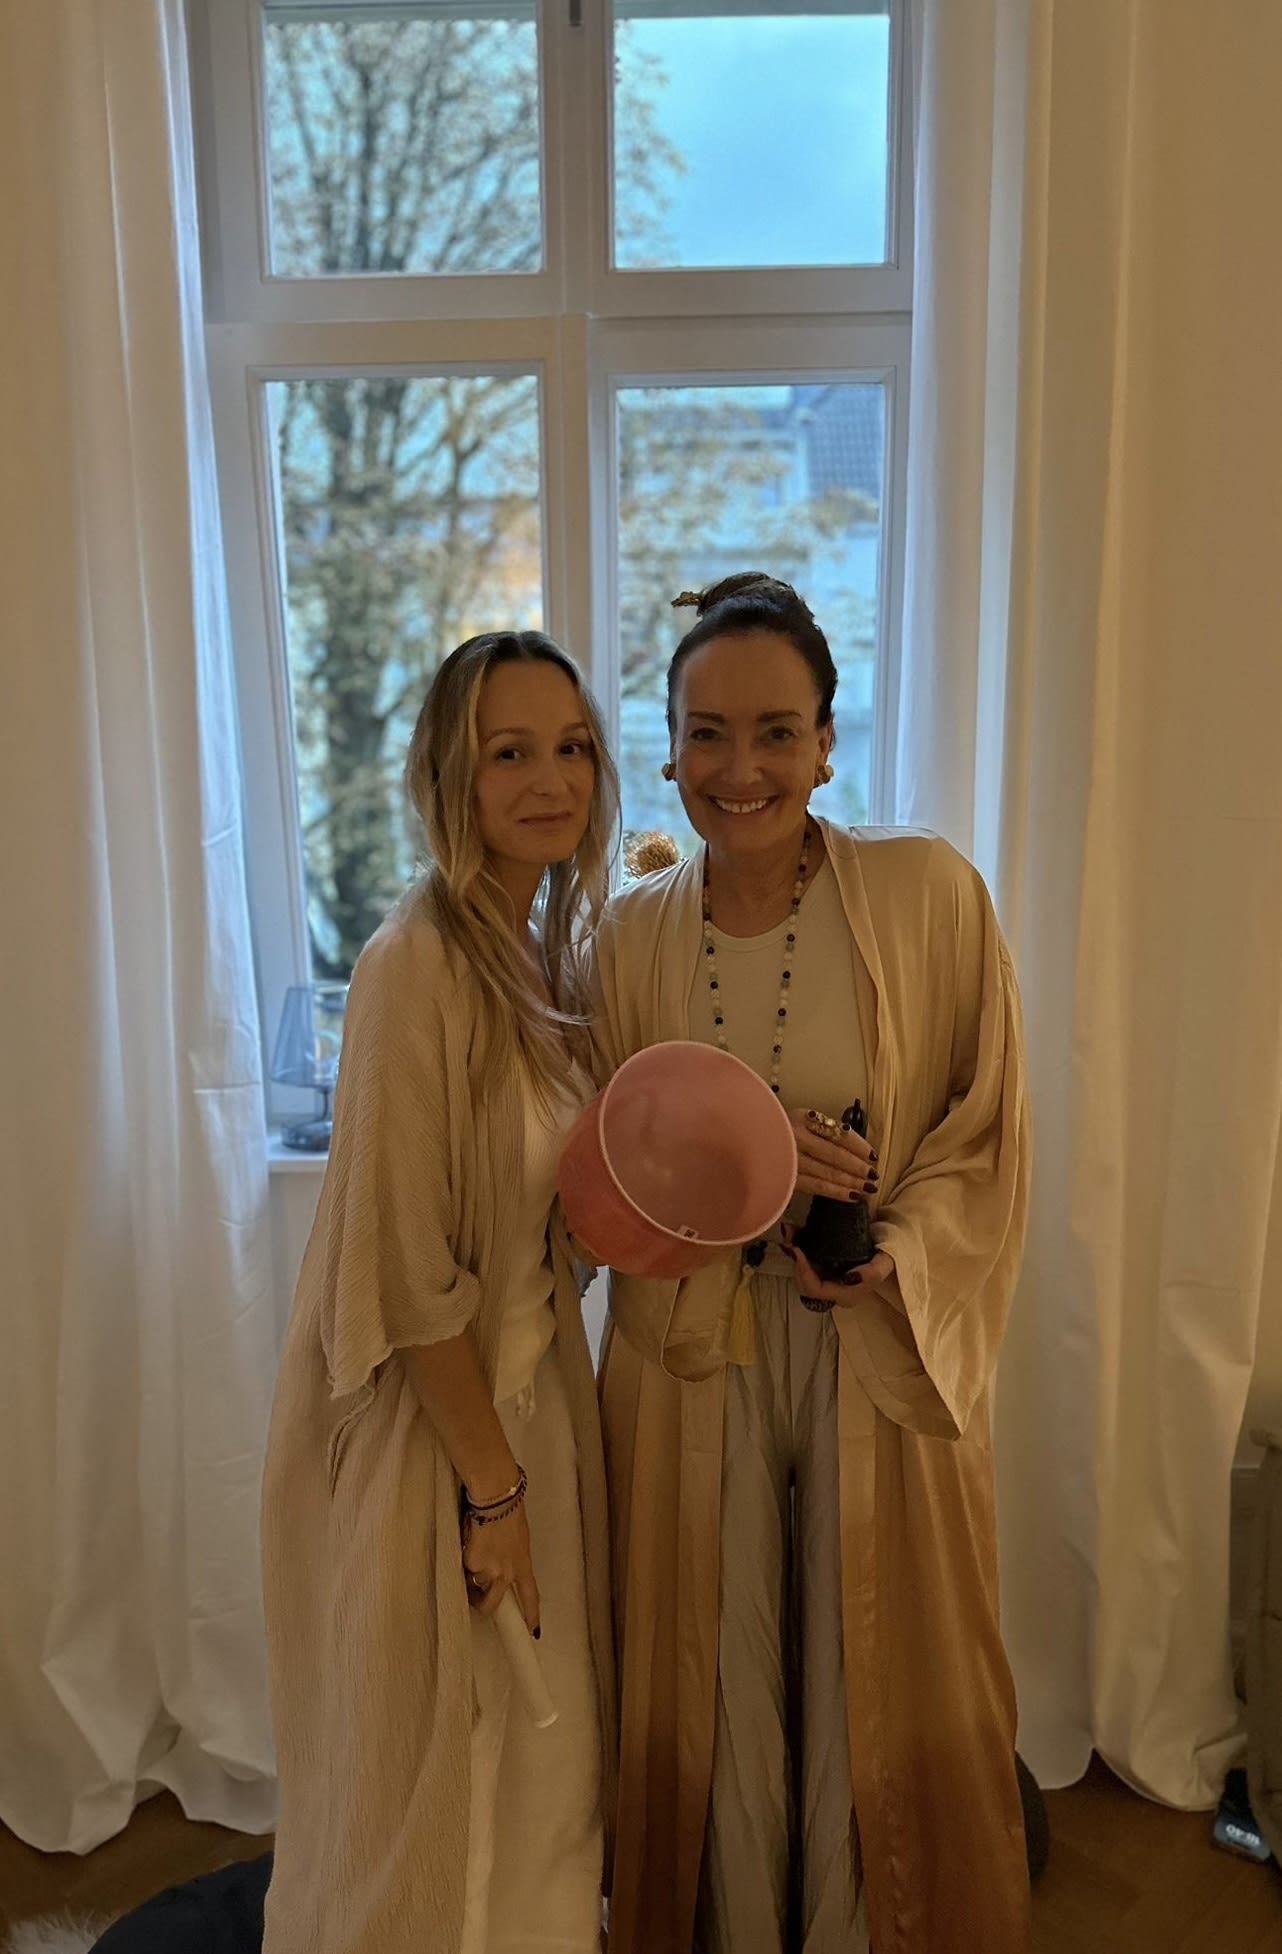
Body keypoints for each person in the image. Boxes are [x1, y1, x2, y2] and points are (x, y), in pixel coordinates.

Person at [589, 574, 1032, 1954]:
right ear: (668, 749)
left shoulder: (927, 895)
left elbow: (984, 1127)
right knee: (710, 1657)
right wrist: (743, 1154)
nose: (742, 769)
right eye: (707, 732)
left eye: (777, 731)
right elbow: (600, 1168)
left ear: (828, 745)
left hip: (873, 1335)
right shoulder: (627, 937)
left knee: (870, 1659)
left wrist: (896, 1248)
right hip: (691, 1340)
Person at [259, 631, 619, 1954]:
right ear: (447, 781)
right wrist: (493, 1495)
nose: (548, 780)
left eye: (570, 748)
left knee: (548, 1761)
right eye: (508, 753)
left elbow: (553, 1220)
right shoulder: (412, 966)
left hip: (535, 1413)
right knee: (444, 1768)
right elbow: (408, 1276)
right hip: (444, 1436)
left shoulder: (548, 959)